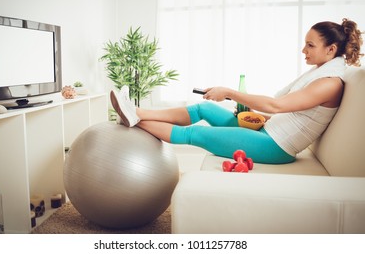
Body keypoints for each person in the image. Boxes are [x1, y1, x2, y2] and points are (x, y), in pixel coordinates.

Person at [110, 19, 363, 164]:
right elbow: (292, 115)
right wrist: (257, 117)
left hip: (276, 147)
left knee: (196, 134)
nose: (303, 50)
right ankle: (137, 111)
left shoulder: (330, 83)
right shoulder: (322, 73)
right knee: (203, 108)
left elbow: (276, 105)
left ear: (331, 50)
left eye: (310, 45)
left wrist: (229, 92)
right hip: (268, 130)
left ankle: (134, 119)